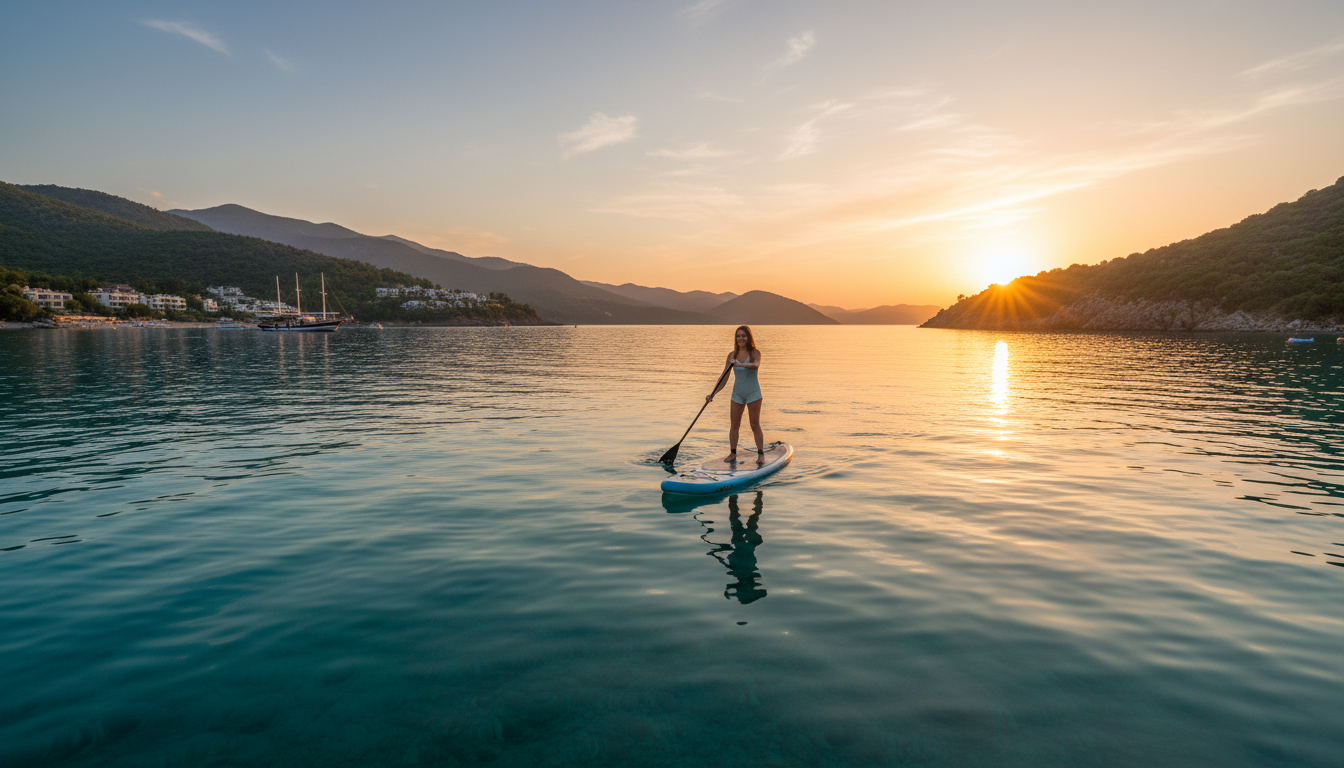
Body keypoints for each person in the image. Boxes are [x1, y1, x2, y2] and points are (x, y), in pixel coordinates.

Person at [706, 325, 765, 465]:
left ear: (748, 337)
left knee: (754, 424)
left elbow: (756, 365)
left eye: (743, 336)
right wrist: (712, 393)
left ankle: (761, 454)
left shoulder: (755, 353)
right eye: (738, 336)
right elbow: (724, 377)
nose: (741, 338)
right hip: (737, 394)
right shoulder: (731, 356)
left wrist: (740, 364)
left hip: (753, 393)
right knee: (734, 425)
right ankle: (733, 453)